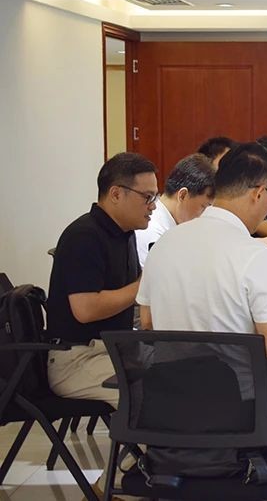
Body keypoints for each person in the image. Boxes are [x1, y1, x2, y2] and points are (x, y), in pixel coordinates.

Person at [138, 142, 267, 499]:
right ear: (258, 193)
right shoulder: (251, 254)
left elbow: (147, 323)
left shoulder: (165, 246)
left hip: (170, 412)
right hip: (239, 415)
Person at [47, 152, 157, 406]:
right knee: (158, 393)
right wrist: (144, 284)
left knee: (186, 370)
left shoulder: (125, 234)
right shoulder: (84, 236)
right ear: (116, 194)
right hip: (78, 359)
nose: (153, 206)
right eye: (147, 197)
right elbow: (85, 310)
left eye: (155, 197)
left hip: (114, 349)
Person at [134, 153, 215, 267]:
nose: (204, 215)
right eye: (203, 207)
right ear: (183, 195)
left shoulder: (177, 227)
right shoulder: (151, 232)